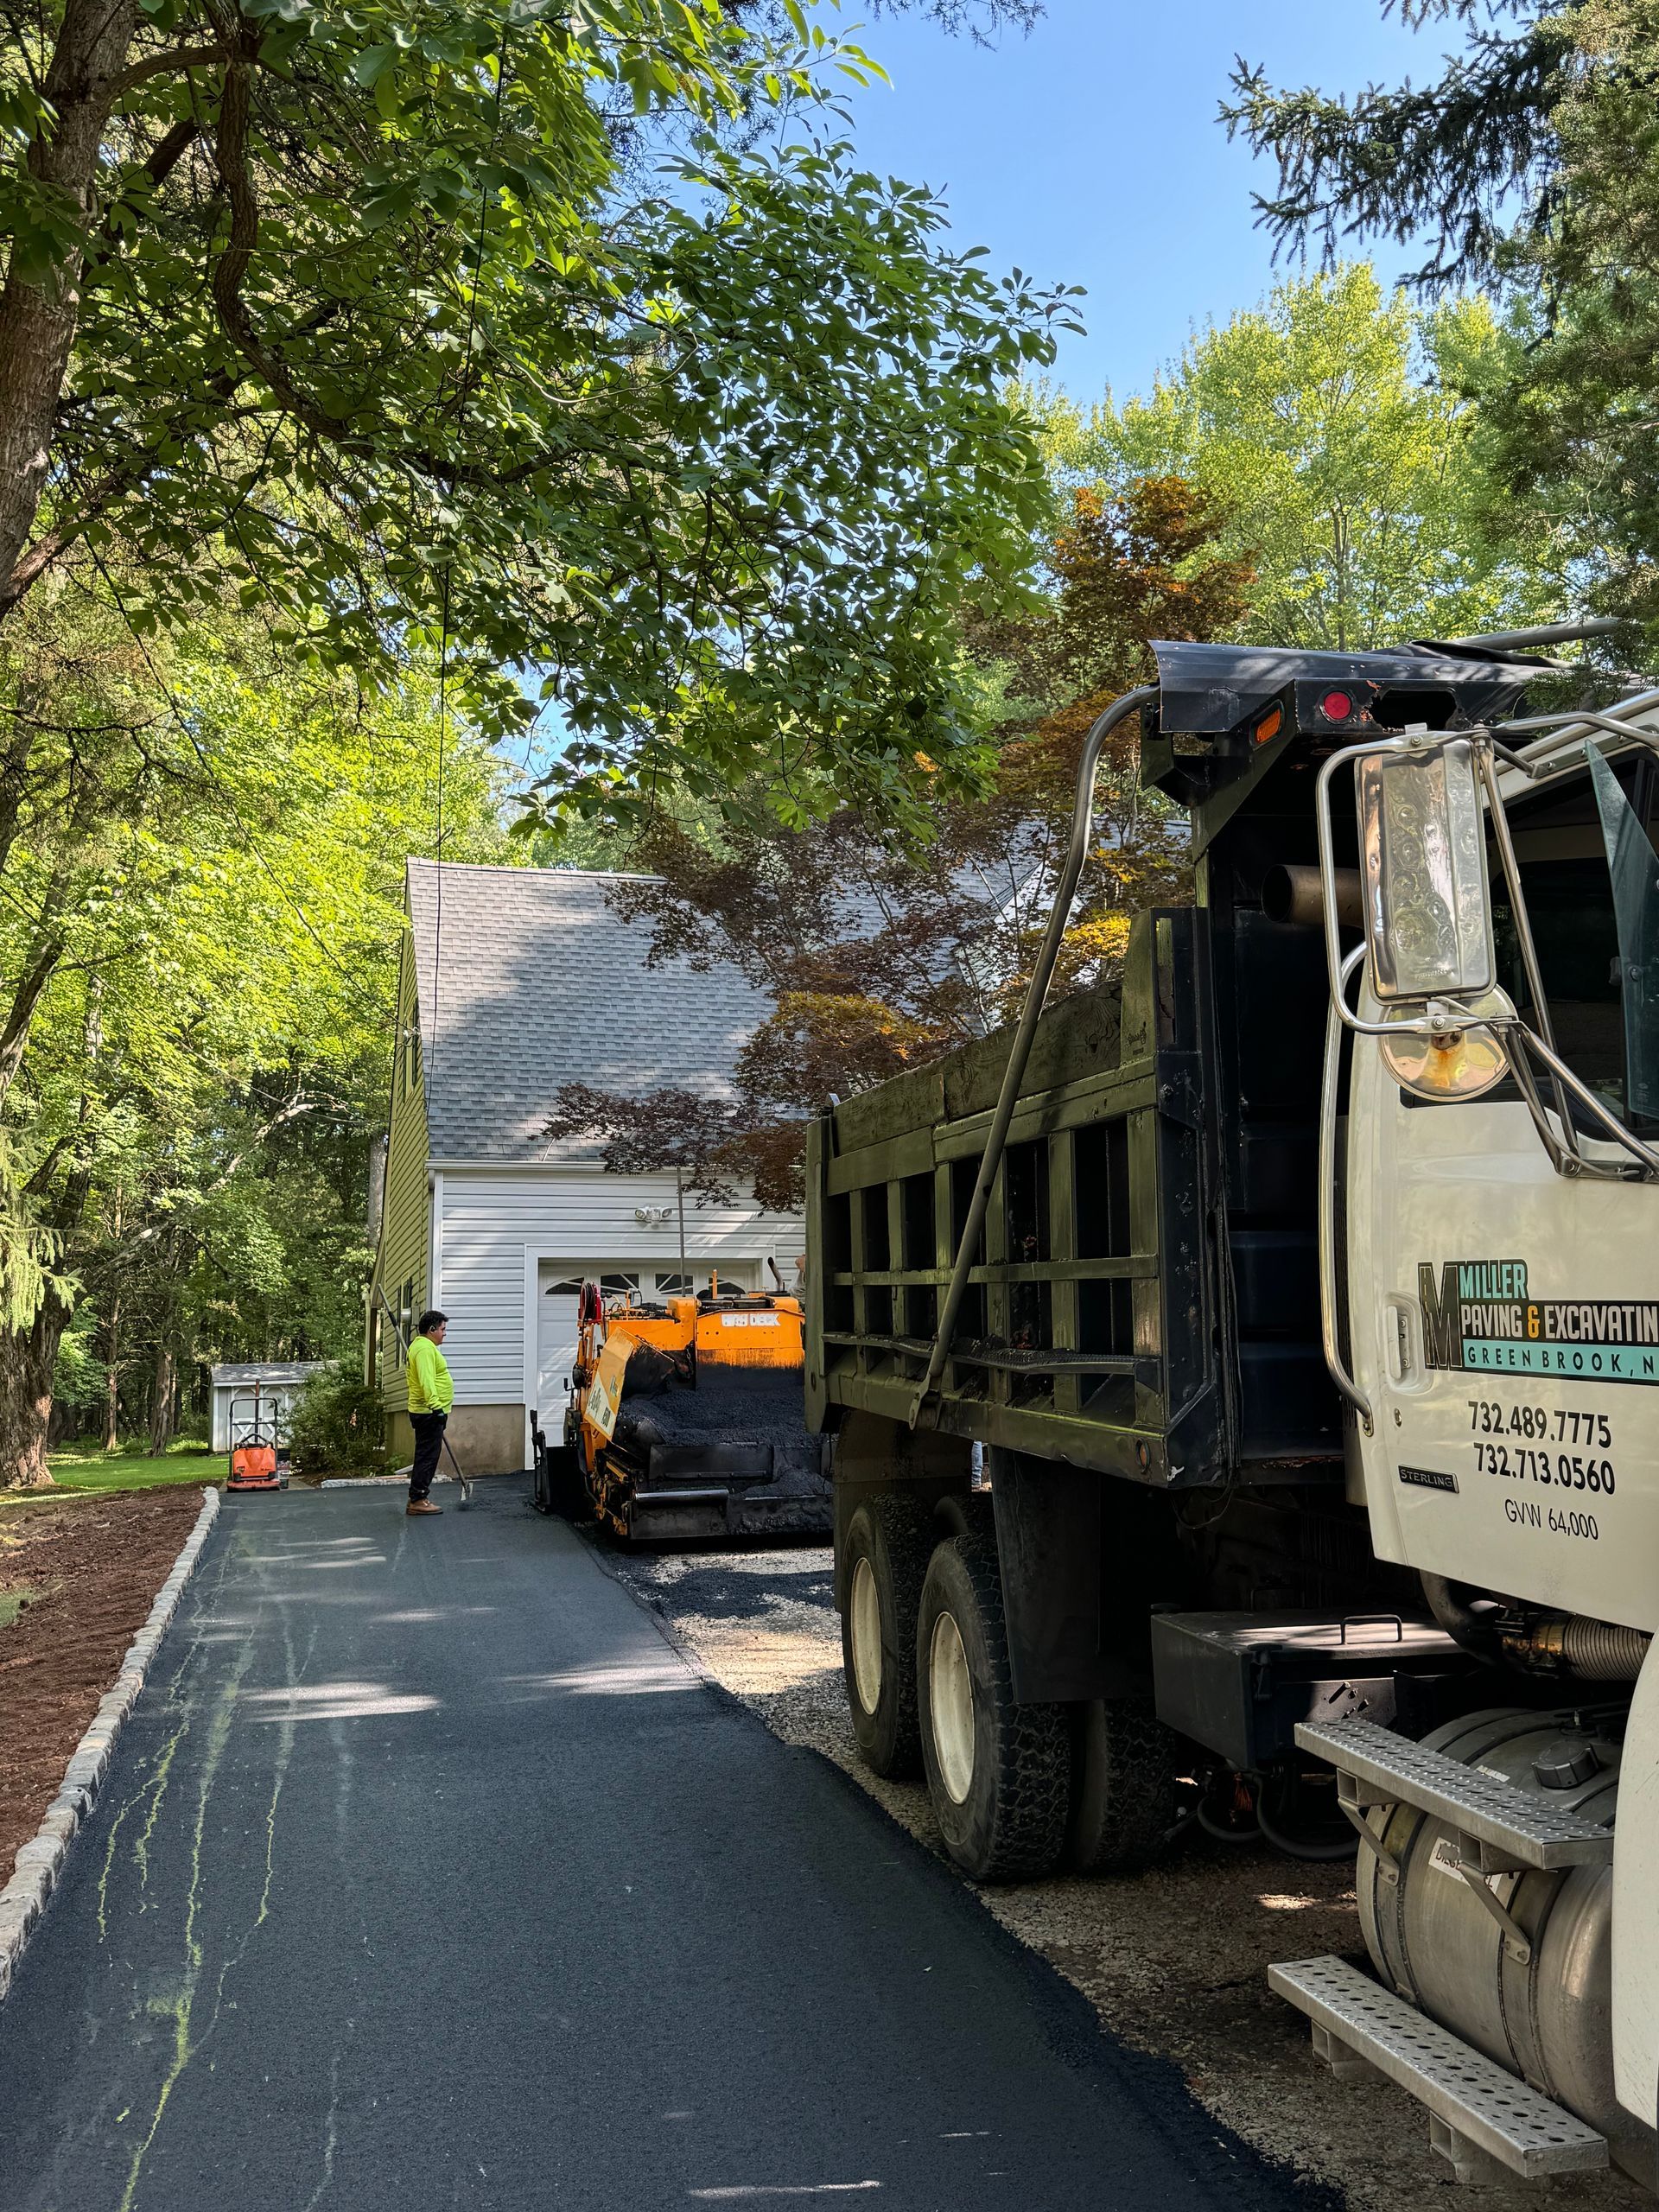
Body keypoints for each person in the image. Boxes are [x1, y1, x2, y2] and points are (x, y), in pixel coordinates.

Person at [405, 1309, 453, 1516]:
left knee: (427, 1455)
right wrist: (436, 1407)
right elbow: (426, 1381)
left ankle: (418, 1497)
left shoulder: (423, 1347)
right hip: (428, 1412)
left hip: (429, 1411)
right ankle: (418, 1499)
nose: (444, 1333)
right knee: (427, 1456)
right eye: (442, 1329)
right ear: (432, 1329)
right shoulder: (424, 1349)